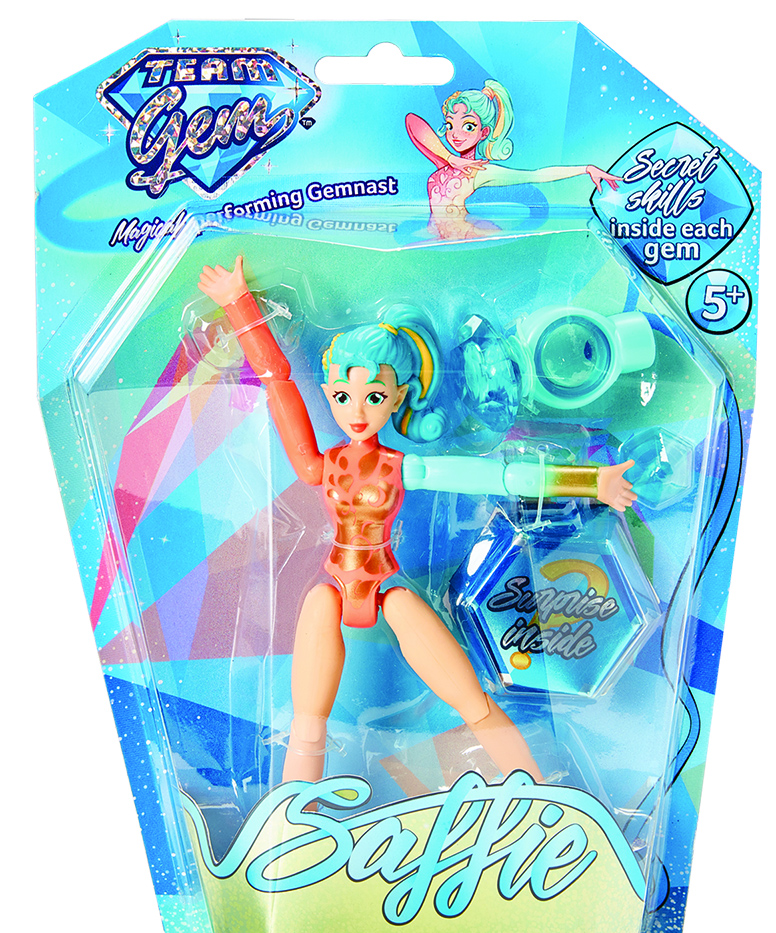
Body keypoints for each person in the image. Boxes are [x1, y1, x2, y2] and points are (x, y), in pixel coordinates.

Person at [197, 256, 636, 787]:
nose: (358, 411)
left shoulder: (403, 467)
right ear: (330, 392)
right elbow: (278, 381)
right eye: (342, 396)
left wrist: (591, 482)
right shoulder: (322, 465)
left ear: (400, 396)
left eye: (375, 397)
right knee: (307, 722)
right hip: (332, 585)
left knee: (472, 701)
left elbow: (499, 475)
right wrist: (238, 304)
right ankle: (292, 813)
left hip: (388, 586)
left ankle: (536, 790)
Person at [406, 80, 619, 237]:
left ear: (484, 132)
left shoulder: (481, 171)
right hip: (440, 240)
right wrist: (450, 158)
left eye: (468, 126)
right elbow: (412, 122)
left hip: (465, 240)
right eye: (451, 124)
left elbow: (537, 176)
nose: (456, 134)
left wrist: (586, 168)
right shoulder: (443, 163)